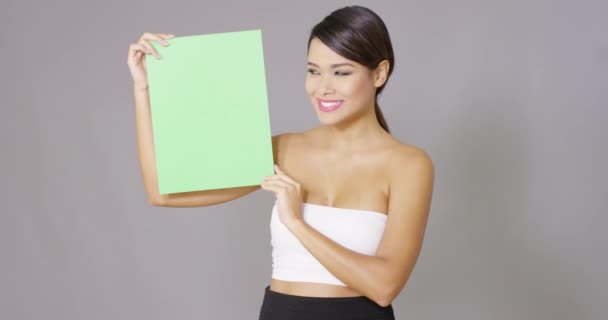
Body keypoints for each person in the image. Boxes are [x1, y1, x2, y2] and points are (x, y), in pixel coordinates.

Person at [127, 5, 434, 320]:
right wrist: (143, 90)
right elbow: (163, 193)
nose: (322, 87)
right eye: (313, 70)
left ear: (379, 73)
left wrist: (297, 223)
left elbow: (384, 286)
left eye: (341, 72)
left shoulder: (408, 165)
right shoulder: (284, 150)